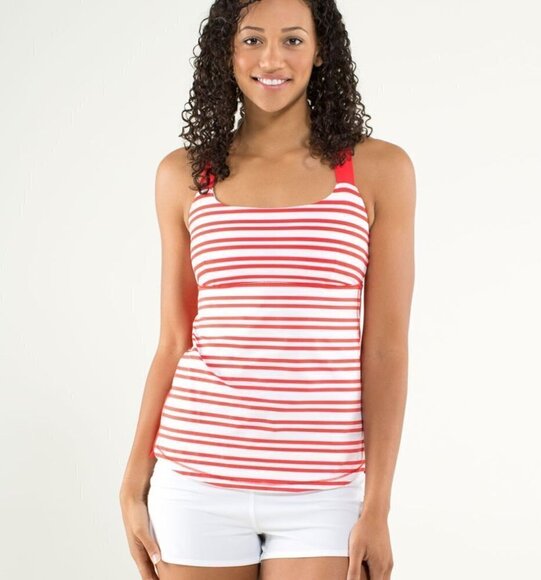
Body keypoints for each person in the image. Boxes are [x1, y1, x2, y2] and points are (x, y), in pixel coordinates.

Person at [119, 0, 415, 578]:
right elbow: (174, 340)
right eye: (252, 40)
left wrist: (377, 505)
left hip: (323, 490)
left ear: (321, 50)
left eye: (293, 40)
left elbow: (385, 348)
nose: (272, 59)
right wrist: (134, 482)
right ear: (226, 52)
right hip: (195, 479)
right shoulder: (185, 175)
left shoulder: (378, 170)